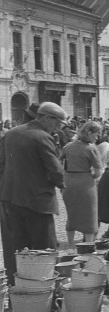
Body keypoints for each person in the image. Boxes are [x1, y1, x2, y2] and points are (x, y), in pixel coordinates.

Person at [0, 102, 67, 285]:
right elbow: (56, 171)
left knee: (16, 246)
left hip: (9, 199)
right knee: (44, 246)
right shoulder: (43, 137)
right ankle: (45, 288)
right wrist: (62, 184)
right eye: (57, 123)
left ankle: (17, 286)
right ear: (46, 118)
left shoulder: (11, 133)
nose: (58, 127)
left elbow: (2, 164)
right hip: (37, 202)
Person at [61, 121, 103, 249]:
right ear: (89, 133)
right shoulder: (91, 148)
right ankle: (88, 247)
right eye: (96, 134)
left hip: (69, 182)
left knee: (71, 214)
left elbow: (59, 162)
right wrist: (93, 176)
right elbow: (98, 171)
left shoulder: (68, 146)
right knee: (89, 216)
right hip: (85, 183)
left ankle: (70, 245)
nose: (98, 137)